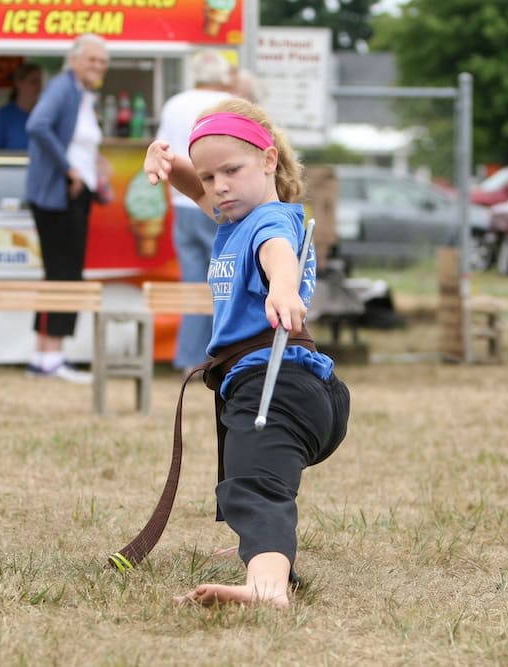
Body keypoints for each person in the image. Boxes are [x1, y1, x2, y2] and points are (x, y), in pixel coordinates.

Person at [143, 98, 351, 608]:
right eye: (211, 177)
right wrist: (171, 166)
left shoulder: (268, 223)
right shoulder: (233, 218)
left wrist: (283, 289)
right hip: (286, 387)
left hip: (277, 387)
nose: (220, 187)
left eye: (231, 171)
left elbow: (277, 253)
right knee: (254, 484)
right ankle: (263, 553)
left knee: (255, 490)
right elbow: (198, 188)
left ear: (269, 159)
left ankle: (266, 589)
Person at [24, 34, 109, 383]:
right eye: (92, 59)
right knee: (63, 273)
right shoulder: (63, 88)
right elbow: (37, 126)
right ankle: (50, 357)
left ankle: (46, 355)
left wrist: (95, 166)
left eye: (102, 62)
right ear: (73, 59)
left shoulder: (80, 93)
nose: (98, 67)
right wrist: (69, 169)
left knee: (63, 272)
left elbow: (76, 140)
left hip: (71, 194)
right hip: (58, 196)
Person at [155, 50, 233, 377]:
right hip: (219, 201)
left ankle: (188, 358)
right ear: (223, 75)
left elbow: (162, 148)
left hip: (182, 200)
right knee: (227, 283)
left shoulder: (174, 103)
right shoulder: (230, 103)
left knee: (192, 282)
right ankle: (221, 356)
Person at [0, 63, 43, 150]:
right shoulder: (3, 116)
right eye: (33, 82)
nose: (38, 86)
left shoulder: (44, 114)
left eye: (39, 81)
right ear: (19, 83)